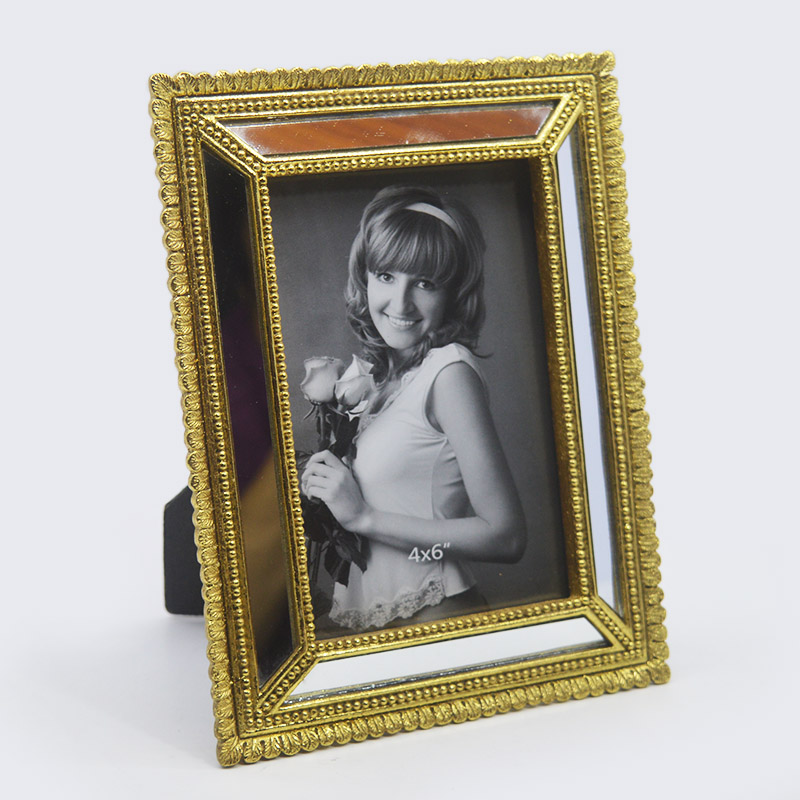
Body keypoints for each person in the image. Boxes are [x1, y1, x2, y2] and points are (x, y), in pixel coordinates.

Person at [301, 185, 526, 632]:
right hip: (379, 624)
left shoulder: (448, 372)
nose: (401, 303)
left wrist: (364, 517)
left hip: (438, 617)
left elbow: (506, 536)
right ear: (365, 277)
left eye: (425, 283)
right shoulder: (382, 380)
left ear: (453, 292)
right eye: (386, 275)